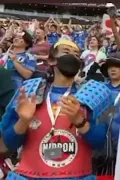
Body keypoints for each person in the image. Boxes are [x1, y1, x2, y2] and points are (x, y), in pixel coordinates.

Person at [0, 39, 110, 179]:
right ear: (52, 60)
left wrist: (80, 122)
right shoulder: (30, 91)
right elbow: (10, 143)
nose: (72, 57)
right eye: (66, 52)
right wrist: (23, 121)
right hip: (31, 176)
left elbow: (101, 142)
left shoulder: (94, 94)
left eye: (77, 55)